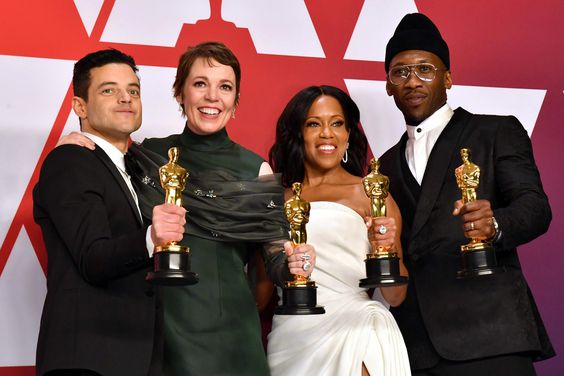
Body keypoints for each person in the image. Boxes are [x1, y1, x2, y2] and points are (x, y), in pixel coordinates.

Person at [57, 41, 316, 375]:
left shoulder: (256, 170)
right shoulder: (146, 157)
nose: (212, 97)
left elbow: (278, 265)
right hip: (158, 335)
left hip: (231, 336)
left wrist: (298, 264)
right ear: (180, 93)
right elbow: (101, 166)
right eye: (199, 84)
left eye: (225, 87)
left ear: (235, 101)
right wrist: (74, 141)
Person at [379, 13, 554, 375]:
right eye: (401, 72)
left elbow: (536, 208)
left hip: (492, 336)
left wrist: (496, 224)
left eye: (425, 69)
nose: (413, 81)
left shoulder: (495, 130)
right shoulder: (382, 167)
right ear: (388, 86)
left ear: (448, 78)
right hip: (418, 345)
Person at [33, 49, 186, 376]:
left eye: (133, 90)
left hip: (133, 357)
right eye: (109, 90)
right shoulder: (70, 161)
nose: (125, 98)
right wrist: (151, 237)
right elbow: (93, 258)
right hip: (89, 361)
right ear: (80, 106)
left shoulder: (136, 168)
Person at [267, 85, 410, 376]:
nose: (326, 134)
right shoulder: (276, 200)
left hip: (355, 329)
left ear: (348, 134)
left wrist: (389, 244)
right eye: (313, 124)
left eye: (336, 123)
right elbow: (262, 287)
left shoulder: (371, 193)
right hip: (292, 338)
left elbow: (396, 296)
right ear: (298, 133)